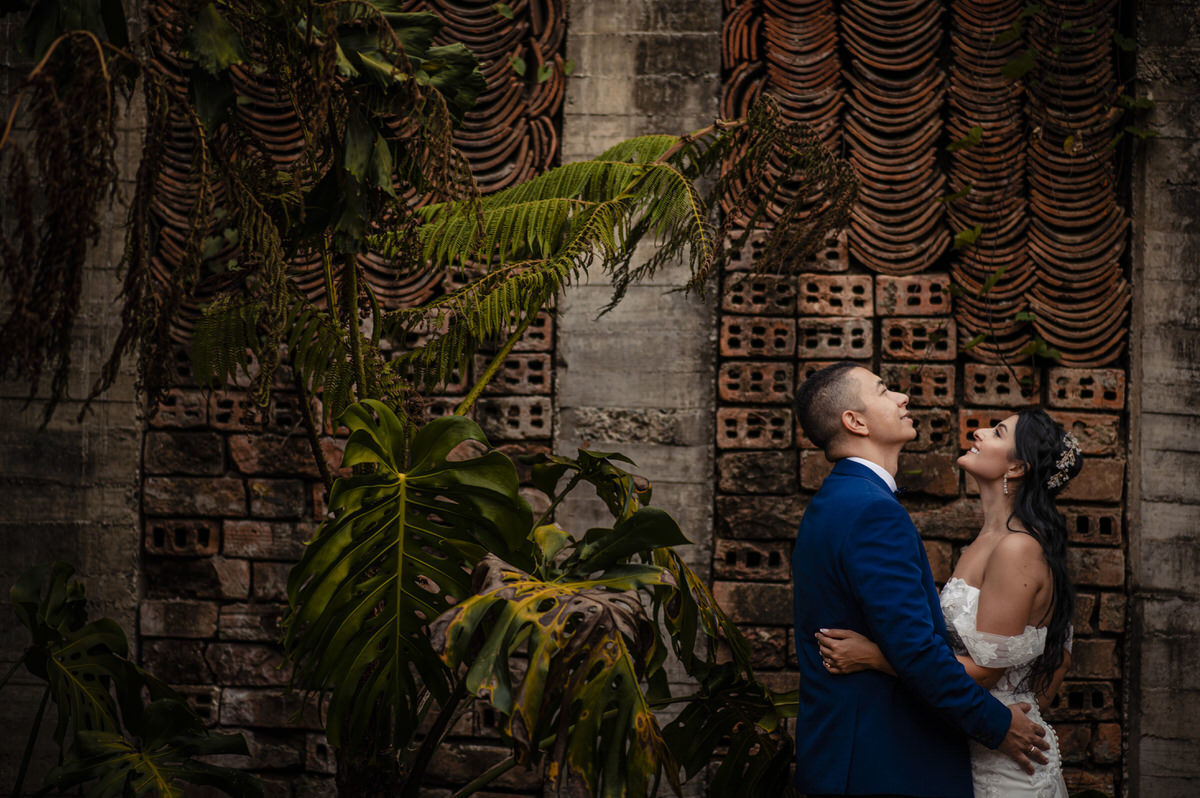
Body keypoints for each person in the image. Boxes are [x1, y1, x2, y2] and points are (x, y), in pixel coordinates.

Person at [791, 361, 1050, 797]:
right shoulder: (873, 512)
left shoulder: (838, 500)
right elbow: (916, 653)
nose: (902, 397)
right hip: (883, 759)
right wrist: (999, 725)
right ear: (855, 422)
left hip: (846, 753)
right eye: (883, 390)